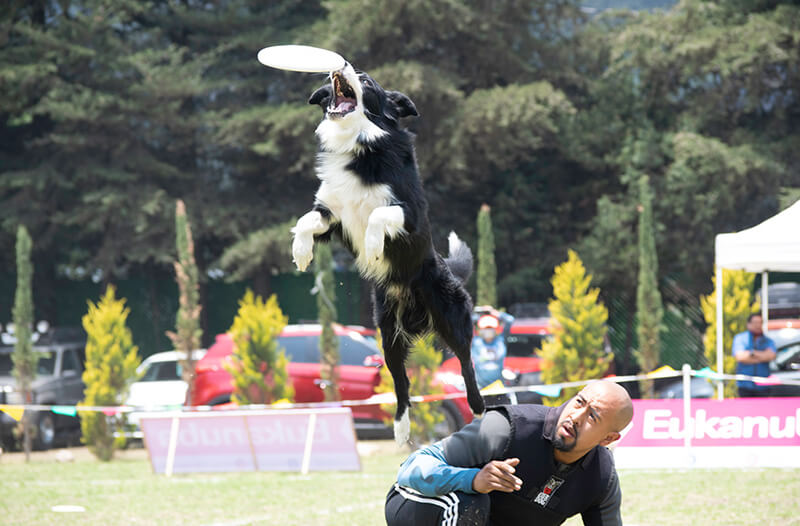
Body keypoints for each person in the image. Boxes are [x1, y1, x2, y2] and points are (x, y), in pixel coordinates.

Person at [384, 380, 634, 526]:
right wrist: (472, 479)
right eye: (579, 402)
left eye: (593, 416)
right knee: (469, 503)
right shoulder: (507, 428)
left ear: (608, 439)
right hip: (418, 502)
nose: (576, 417)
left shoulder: (601, 478)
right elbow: (410, 469)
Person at [732, 313, 776, 397]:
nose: (758, 325)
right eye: (755, 323)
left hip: (763, 386)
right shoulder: (740, 338)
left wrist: (752, 354)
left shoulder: (768, 341)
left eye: (760, 323)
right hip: (745, 386)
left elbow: (771, 356)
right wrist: (762, 356)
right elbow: (740, 356)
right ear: (748, 324)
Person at [471, 306, 515, 389]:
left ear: (495, 329)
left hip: (499, 387)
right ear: (480, 329)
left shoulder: (500, 340)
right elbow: (468, 322)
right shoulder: (476, 342)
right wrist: (478, 315)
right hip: (480, 388)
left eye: (491, 328)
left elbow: (510, 320)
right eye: (486, 328)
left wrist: (495, 313)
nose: (488, 330)